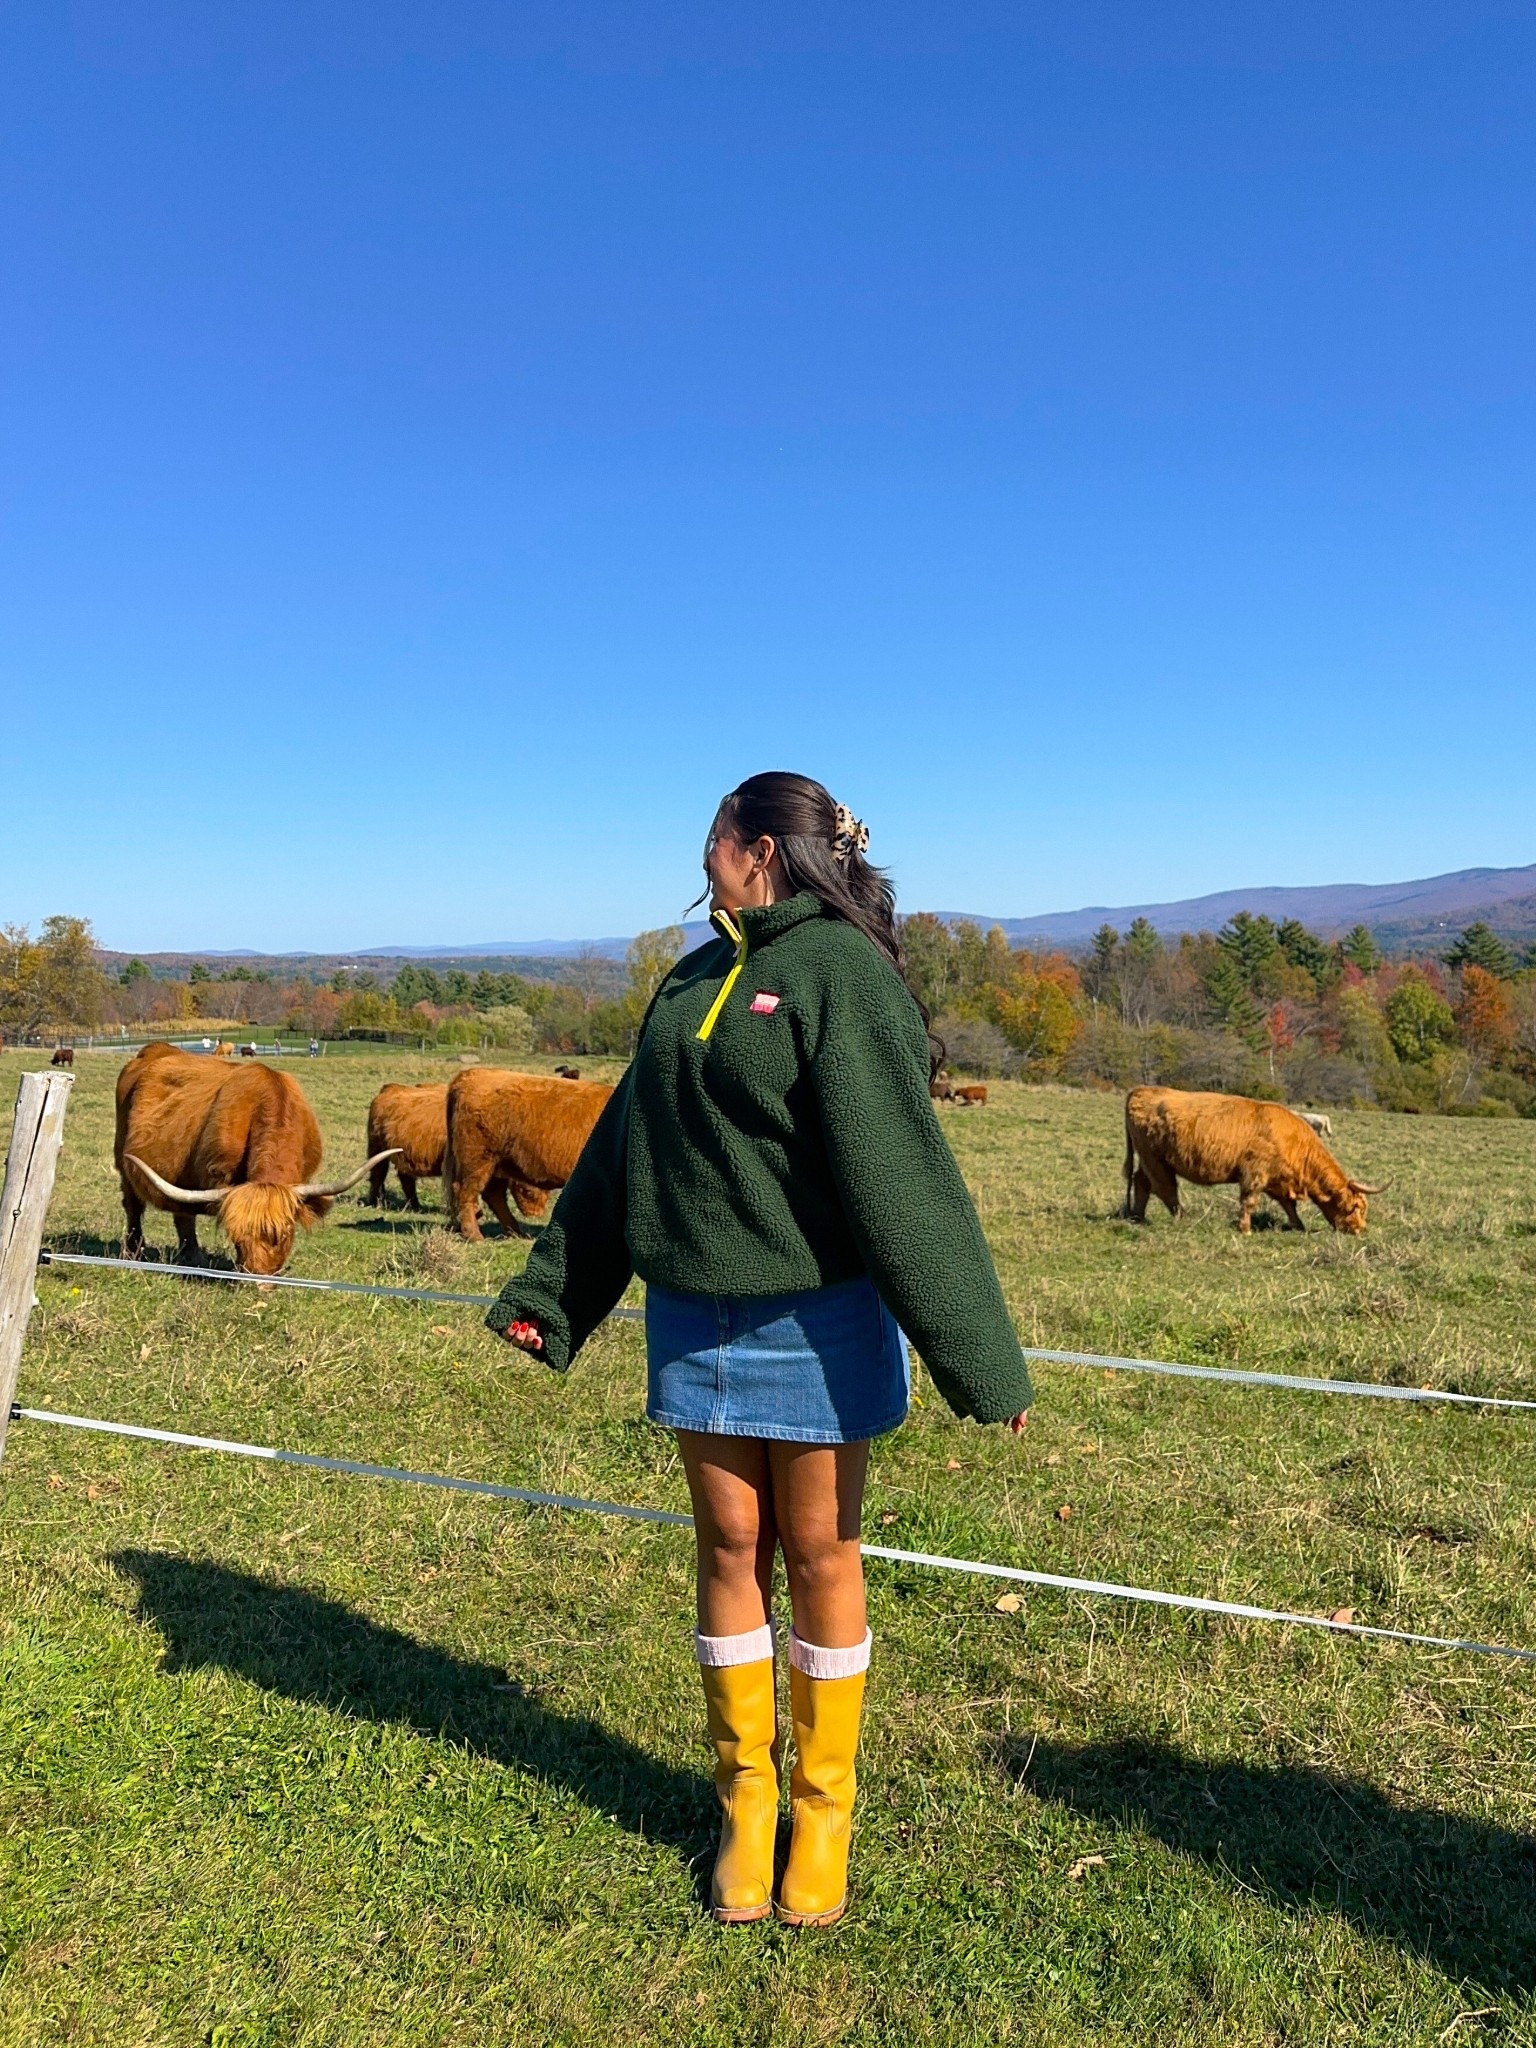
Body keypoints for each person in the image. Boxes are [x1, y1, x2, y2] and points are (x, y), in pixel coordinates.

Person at [487, 772, 1033, 1927]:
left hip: (818, 1321)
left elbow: (904, 1182)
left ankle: (823, 1811)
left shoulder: (842, 975)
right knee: (729, 1538)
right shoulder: (689, 979)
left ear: (761, 850)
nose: (703, 858)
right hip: (696, 1317)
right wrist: (554, 1295)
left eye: (714, 838)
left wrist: (979, 1358)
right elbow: (623, 1149)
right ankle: (747, 1797)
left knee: (824, 1549)